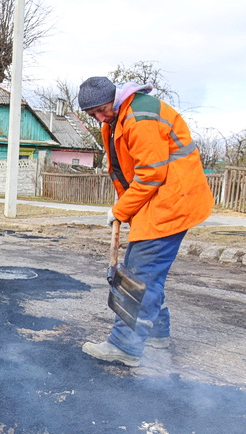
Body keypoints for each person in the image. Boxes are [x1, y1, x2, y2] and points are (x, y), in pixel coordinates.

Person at [77, 76, 214, 367]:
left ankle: (125, 345)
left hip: (171, 201)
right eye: (93, 115)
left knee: (140, 274)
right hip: (162, 201)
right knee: (148, 270)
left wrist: (120, 210)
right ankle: (156, 333)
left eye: (102, 110)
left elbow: (151, 173)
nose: (100, 117)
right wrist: (128, 209)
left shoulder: (139, 117)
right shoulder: (119, 117)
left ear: (113, 98)